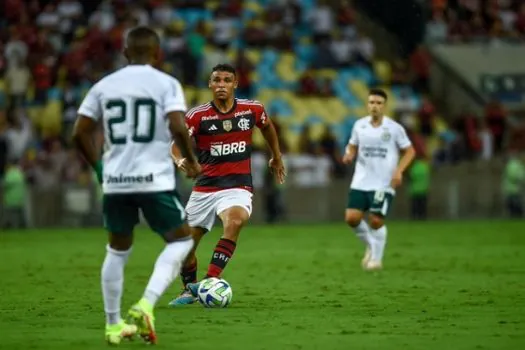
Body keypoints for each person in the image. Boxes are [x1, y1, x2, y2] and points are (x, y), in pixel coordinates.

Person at [72, 26, 201, 345]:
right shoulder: (167, 83)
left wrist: (102, 169)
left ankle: (113, 324)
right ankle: (146, 304)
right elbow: (176, 125)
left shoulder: (104, 85)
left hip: (116, 181)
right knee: (181, 242)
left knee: (116, 250)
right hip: (153, 180)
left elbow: (79, 133)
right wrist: (192, 160)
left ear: (126, 52)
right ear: (157, 54)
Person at [168, 63, 286, 306]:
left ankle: (209, 281)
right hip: (204, 188)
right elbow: (175, 144)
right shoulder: (197, 115)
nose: (221, 84)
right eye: (217, 80)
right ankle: (188, 290)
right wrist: (179, 160)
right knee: (184, 248)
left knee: (235, 221)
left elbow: (267, 126)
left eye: (226, 80)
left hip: (237, 186)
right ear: (210, 84)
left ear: (235, 84)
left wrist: (276, 155)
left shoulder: (251, 110)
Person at [342, 88, 415, 270]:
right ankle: (371, 245)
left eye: (378, 103)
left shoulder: (395, 128)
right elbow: (352, 146)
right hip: (361, 180)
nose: (374, 106)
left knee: (376, 221)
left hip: (383, 183)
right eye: (372, 102)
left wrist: (399, 171)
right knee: (351, 218)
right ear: (367, 105)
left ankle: (376, 259)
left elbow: (410, 151)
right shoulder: (359, 125)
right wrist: (349, 154)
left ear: (384, 106)